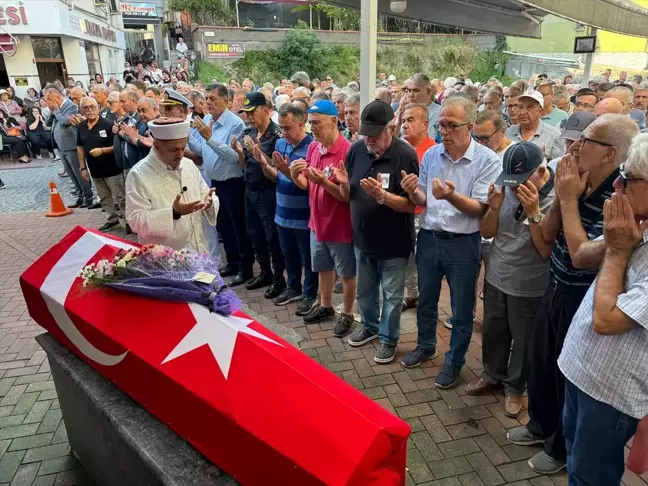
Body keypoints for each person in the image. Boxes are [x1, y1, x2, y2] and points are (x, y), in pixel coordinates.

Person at [506, 114, 639, 474]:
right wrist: (560, 198)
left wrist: (566, 199)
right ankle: (540, 425)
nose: (575, 146)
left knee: (568, 377)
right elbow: (548, 238)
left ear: (610, 153)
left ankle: (559, 448)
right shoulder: (579, 181)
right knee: (542, 363)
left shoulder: (618, 194)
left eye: (586, 141)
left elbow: (582, 257)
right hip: (555, 286)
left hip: (582, 299)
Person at [558, 133, 648, 485]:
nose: (617, 186)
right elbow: (583, 255)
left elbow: (606, 320)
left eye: (628, 179)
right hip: (582, 372)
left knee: (590, 477)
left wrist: (618, 249)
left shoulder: (627, 234)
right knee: (575, 460)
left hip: (611, 393)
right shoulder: (636, 221)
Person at [399, 97, 500, 388]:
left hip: (463, 243)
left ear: (469, 127)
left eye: (451, 125)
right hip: (429, 238)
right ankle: (426, 345)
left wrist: (451, 196)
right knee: (427, 300)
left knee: (461, 309)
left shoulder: (486, 160)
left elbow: (482, 209)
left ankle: (454, 362)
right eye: (440, 124)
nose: (444, 131)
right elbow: (422, 199)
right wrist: (411, 192)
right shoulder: (432, 155)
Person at [465, 142, 555, 418]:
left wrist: (534, 212)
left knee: (524, 340)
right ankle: (492, 375)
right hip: (497, 275)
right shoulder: (506, 188)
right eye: (511, 181)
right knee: (493, 331)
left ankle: (515, 387)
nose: (515, 188)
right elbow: (488, 232)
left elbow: (545, 249)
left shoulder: (556, 199)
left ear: (540, 172)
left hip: (530, 283)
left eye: (521, 181)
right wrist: (493, 208)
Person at [337, 100, 419, 364]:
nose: (368, 140)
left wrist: (383, 196)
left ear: (390, 130)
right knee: (366, 292)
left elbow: (411, 205)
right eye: (365, 134)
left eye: (374, 134)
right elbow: (350, 193)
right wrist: (340, 184)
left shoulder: (405, 156)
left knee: (393, 297)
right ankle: (371, 327)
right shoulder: (356, 151)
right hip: (362, 239)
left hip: (393, 243)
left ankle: (388, 339)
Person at [289, 100, 356, 334]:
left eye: (317, 123)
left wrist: (325, 183)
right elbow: (307, 184)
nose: (312, 128)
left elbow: (348, 197)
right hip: (316, 223)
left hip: (340, 226)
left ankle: (347, 313)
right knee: (322, 268)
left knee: (347, 273)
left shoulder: (348, 152)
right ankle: (326, 305)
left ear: (334, 121)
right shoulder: (314, 148)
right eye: (310, 123)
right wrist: (293, 174)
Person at [253, 103, 318, 313]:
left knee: (307, 258)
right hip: (282, 213)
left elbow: (310, 186)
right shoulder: (280, 144)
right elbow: (275, 177)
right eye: (281, 127)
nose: (283, 133)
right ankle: (293, 288)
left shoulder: (313, 148)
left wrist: (286, 171)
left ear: (302, 124)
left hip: (303, 216)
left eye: (288, 128)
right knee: (288, 254)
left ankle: (309, 294)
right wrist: (263, 163)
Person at [188, 83, 252, 286]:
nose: (208, 103)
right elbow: (200, 150)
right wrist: (188, 136)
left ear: (227, 101)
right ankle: (232, 263)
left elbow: (235, 157)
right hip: (214, 182)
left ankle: (245, 268)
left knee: (238, 227)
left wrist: (210, 137)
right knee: (222, 224)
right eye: (206, 99)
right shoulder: (207, 120)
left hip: (233, 183)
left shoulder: (235, 124)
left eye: (213, 99)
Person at [126, 117, 217, 253]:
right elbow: (136, 220)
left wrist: (209, 202)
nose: (180, 155)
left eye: (183, 148)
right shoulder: (138, 174)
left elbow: (205, 193)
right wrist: (174, 213)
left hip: (200, 253)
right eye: (174, 150)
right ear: (157, 146)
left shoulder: (189, 164)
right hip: (166, 260)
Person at [233, 92, 286, 298]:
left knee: (272, 237)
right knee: (254, 234)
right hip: (250, 190)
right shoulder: (249, 133)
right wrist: (240, 153)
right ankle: (265, 272)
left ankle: (279, 278)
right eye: (246, 113)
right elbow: (244, 165)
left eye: (252, 112)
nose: (249, 117)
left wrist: (258, 152)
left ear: (266, 110)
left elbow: (276, 166)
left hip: (268, 192)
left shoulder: (277, 135)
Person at [401, 103, 436, 312]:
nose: (405, 125)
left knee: (424, 261)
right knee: (407, 260)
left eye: (410, 120)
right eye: (404, 120)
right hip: (402, 212)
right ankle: (411, 294)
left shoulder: (433, 150)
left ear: (425, 124)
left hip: (423, 215)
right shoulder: (401, 148)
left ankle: (426, 298)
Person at [76, 97, 124, 232]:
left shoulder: (108, 125)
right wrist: (82, 167)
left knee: (120, 197)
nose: (90, 110)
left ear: (98, 108)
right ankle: (112, 220)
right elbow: (79, 147)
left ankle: (126, 221)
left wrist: (102, 150)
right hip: (94, 170)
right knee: (104, 197)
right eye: (86, 108)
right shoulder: (81, 126)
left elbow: (117, 146)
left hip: (112, 168)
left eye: (92, 107)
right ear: (82, 110)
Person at [43, 87, 93, 208]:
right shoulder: (56, 109)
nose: (48, 102)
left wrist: (56, 110)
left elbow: (65, 121)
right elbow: (48, 123)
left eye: (50, 99)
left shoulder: (71, 106)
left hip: (72, 145)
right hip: (61, 147)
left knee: (79, 173)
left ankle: (89, 197)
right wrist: (52, 111)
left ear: (58, 97)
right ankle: (80, 196)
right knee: (71, 174)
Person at [506, 89, 564, 161]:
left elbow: (557, 167)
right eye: (520, 107)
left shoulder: (554, 135)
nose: (523, 112)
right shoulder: (508, 133)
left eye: (529, 107)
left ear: (540, 112)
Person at [399, 74, 440, 140]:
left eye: (416, 91)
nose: (411, 95)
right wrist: (399, 121)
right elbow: (392, 138)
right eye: (409, 91)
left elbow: (430, 139)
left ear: (428, 91)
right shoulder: (406, 109)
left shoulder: (438, 111)